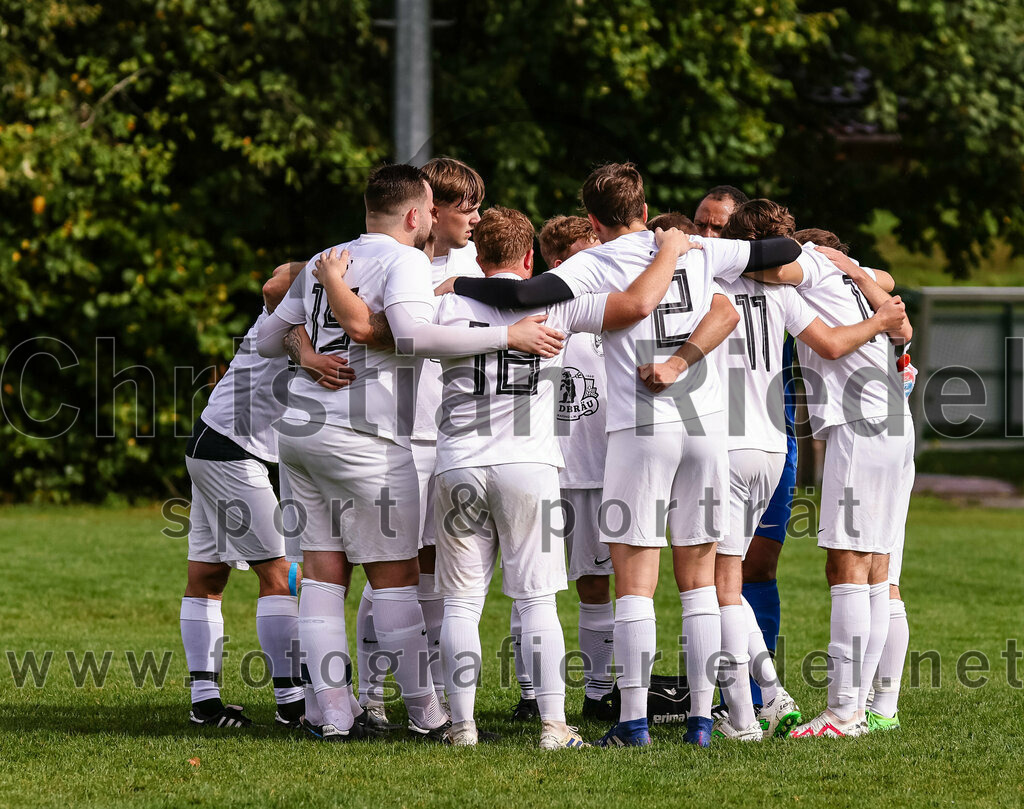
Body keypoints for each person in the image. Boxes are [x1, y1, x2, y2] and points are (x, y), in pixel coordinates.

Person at [447, 163, 803, 747]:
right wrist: (693, 245)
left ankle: (634, 721)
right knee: (700, 579)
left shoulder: (591, 261)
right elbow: (784, 247)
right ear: (644, 208)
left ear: (590, 219)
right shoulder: (693, 249)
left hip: (641, 424)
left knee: (635, 581)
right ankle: (700, 724)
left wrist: (459, 285)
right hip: (707, 426)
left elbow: (521, 294)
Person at [255, 163, 563, 742]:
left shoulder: (330, 256)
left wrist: (309, 355)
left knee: (322, 575)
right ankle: (427, 713)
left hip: (299, 430)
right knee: (396, 581)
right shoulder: (404, 261)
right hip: (366, 434)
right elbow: (414, 336)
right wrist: (506, 336)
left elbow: (271, 335)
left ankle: (334, 717)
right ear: (418, 213)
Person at [431, 206, 700, 748]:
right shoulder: (557, 301)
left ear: (477, 254)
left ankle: (460, 726)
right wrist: (673, 253)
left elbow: (386, 334)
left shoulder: (441, 304)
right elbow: (632, 306)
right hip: (529, 465)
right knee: (537, 600)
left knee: (461, 603)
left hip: (457, 460)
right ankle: (554, 724)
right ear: (530, 256)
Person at [672, 213, 908, 741]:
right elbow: (885, 294)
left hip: (816, 431)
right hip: (840, 434)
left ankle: (800, 713)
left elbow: (826, 339)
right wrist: (871, 292)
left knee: (757, 577)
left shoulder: (787, 270)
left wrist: (686, 245)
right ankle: (872, 706)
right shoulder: (836, 276)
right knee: (876, 572)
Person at [181, 262, 353, 729]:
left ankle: (204, 703)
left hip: (219, 441)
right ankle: (292, 704)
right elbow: (274, 282)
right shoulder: (332, 266)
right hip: (230, 448)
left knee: (209, 574)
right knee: (279, 574)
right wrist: (310, 349)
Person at [355, 156, 488, 723]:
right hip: (399, 430)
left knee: (432, 564)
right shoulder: (398, 259)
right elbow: (287, 281)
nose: (473, 218)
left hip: (451, 431)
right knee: (390, 563)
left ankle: (425, 690)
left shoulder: (472, 265)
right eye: (464, 208)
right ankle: (370, 691)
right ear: (428, 210)